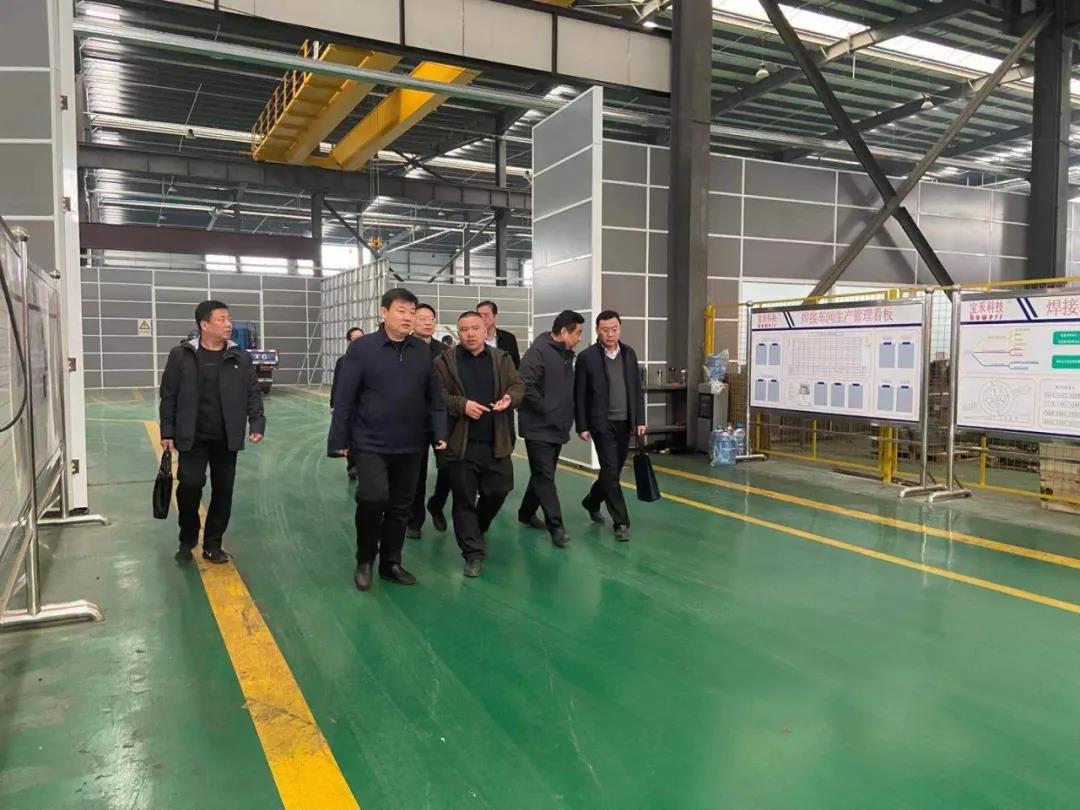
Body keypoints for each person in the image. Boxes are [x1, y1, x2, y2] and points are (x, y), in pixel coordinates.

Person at [327, 288, 447, 591]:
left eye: (412, 312)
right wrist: (338, 440)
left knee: (401, 506)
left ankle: (391, 562)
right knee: (372, 497)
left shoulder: (422, 351)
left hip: (411, 443)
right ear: (384, 313)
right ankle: (365, 558)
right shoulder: (362, 349)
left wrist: (439, 433)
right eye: (401, 311)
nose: (408, 317)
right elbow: (344, 398)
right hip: (370, 441)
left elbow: (434, 397)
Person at [159, 300, 265, 565]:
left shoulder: (240, 356)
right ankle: (187, 537)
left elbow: (252, 392)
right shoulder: (181, 355)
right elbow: (169, 395)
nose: (228, 324)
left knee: (223, 491)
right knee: (189, 485)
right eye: (222, 319)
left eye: (229, 318)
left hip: (226, 437)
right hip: (192, 436)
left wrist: (257, 423)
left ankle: (213, 544)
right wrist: (167, 430)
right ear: (204, 325)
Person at [434, 311, 524, 577]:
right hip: (461, 443)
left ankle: (478, 528)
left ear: (486, 330)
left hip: (496, 440)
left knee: (499, 490)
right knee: (463, 499)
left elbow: (518, 385)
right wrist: (461, 405)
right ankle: (472, 553)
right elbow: (437, 395)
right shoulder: (444, 362)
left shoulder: (501, 359)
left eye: (475, 328)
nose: (470, 334)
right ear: (458, 334)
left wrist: (510, 398)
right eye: (464, 330)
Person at [574, 310, 647, 542]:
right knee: (611, 472)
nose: (610, 334)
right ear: (597, 330)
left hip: (625, 422)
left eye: (614, 329)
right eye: (605, 330)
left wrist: (640, 419)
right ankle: (621, 522)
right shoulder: (587, 357)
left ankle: (592, 501)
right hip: (601, 422)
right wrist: (582, 425)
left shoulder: (629, 354)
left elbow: (636, 388)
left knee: (612, 471)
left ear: (620, 329)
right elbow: (579, 394)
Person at [516, 309, 584, 548]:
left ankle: (526, 513)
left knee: (543, 474)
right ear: (564, 331)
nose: (579, 338)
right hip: (538, 426)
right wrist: (547, 408)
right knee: (545, 476)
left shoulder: (564, 354)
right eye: (578, 333)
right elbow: (524, 384)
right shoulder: (539, 352)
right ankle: (556, 527)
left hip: (555, 425)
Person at [407, 304, 452, 538]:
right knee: (417, 474)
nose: (427, 322)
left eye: (431, 318)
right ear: (412, 321)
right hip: (413, 421)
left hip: (441, 419)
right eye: (422, 318)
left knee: (448, 467)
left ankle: (436, 504)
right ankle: (414, 520)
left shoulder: (445, 351)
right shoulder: (404, 348)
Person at [330, 326, 364, 479]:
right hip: (350, 405)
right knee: (350, 436)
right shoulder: (342, 361)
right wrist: (333, 404)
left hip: (366, 404)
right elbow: (337, 383)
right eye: (355, 338)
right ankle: (352, 465)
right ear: (349, 341)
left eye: (361, 337)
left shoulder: (371, 358)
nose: (359, 340)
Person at [476, 300, 521, 368]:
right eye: (479, 316)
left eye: (486, 315)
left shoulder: (509, 338)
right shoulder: (473, 338)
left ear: (494, 316)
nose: (483, 319)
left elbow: (516, 365)